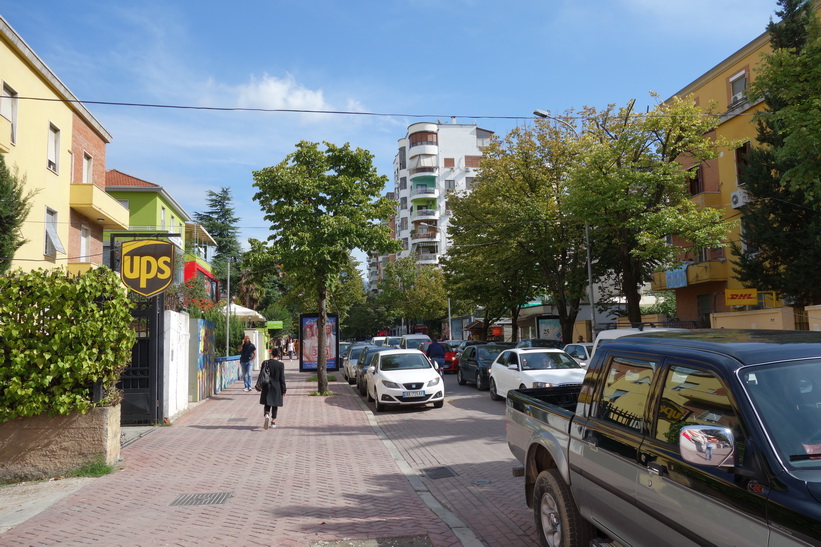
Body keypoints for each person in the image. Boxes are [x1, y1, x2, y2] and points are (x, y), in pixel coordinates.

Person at [259, 348, 286, 429]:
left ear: (271, 354)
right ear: (278, 355)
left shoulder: (265, 363)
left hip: (267, 385)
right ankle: (273, 422)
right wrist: (284, 389)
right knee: (275, 404)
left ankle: (267, 414)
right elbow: (282, 378)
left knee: (267, 402)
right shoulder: (281, 365)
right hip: (277, 386)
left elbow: (261, 374)